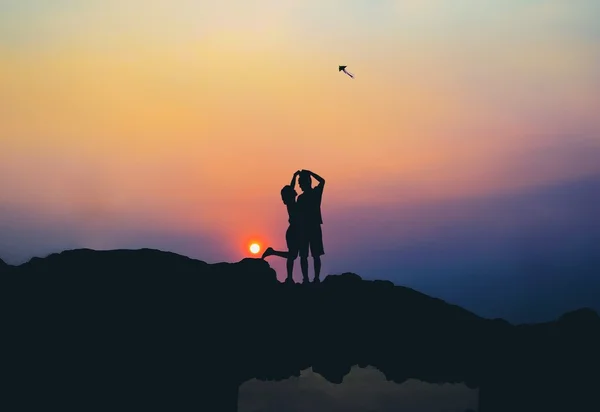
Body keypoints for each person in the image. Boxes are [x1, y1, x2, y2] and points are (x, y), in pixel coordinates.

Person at [261, 171, 302, 284]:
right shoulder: (291, 203)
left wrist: (294, 176)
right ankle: (288, 277)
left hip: (295, 231)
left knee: (292, 256)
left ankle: (289, 277)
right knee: (292, 256)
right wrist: (294, 178)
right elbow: (291, 189)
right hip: (293, 231)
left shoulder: (290, 201)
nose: (295, 191)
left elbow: (291, 187)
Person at [296, 169, 325, 284]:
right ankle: (308, 279)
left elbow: (322, 181)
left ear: (306, 182)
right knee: (306, 255)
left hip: (311, 227)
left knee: (313, 255)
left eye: (300, 182)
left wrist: (310, 173)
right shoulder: (303, 197)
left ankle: (313, 279)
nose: (299, 185)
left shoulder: (314, 193)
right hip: (307, 228)